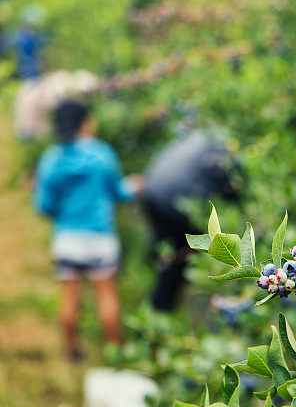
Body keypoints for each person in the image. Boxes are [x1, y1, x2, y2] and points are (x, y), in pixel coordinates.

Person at [33, 99, 143, 359]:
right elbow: (118, 192)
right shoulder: (102, 154)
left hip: (67, 238)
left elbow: (43, 205)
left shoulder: (51, 159)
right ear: (85, 122)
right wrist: (135, 186)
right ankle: (116, 353)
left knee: (70, 299)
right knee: (106, 297)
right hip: (100, 238)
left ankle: (72, 351)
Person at [143, 125, 239, 311]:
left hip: (153, 187)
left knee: (168, 256)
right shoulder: (229, 150)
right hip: (175, 199)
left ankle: (159, 313)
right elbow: (234, 189)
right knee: (182, 256)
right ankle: (164, 313)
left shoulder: (204, 133)